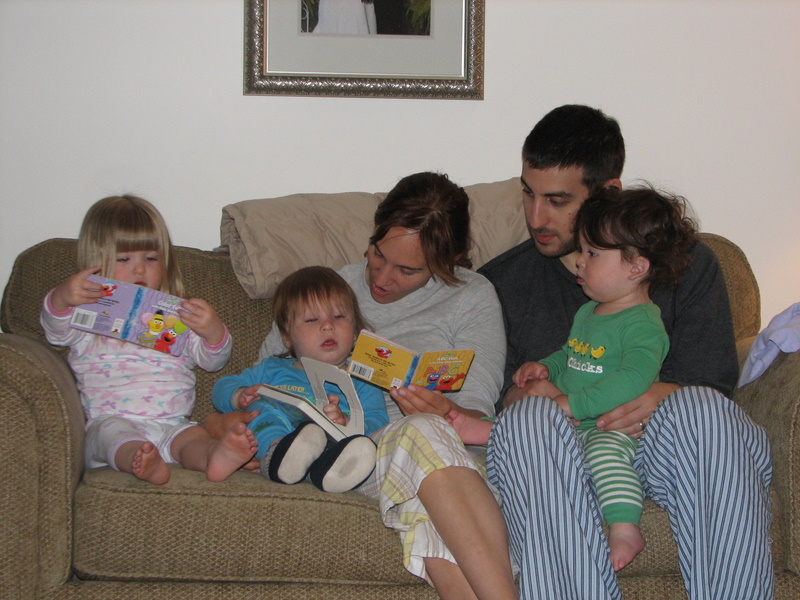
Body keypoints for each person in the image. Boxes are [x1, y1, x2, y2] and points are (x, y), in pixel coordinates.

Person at [478, 105, 774, 599]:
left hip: (660, 447)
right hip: (561, 455)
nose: (536, 217)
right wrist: (532, 393)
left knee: (703, 409)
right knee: (527, 421)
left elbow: (714, 384)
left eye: (557, 200)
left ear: (608, 192)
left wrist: (656, 393)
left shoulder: (686, 264)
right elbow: (493, 401)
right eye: (528, 193)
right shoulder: (502, 283)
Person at [211, 172, 517, 600]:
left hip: (443, 455)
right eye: (378, 253)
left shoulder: (473, 297)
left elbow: (477, 415)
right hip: (355, 454)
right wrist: (256, 433)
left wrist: (443, 409)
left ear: (448, 261)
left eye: (407, 269)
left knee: (426, 485)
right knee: (421, 439)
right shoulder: (334, 288)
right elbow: (270, 377)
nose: (382, 278)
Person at [451, 185, 698, 572]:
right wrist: (546, 367)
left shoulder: (643, 325)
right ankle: (487, 429)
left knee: (604, 457)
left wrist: (573, 404)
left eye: (593, 254)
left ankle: (624, 527)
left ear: (636, 267)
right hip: (571, 421)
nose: (580, 262)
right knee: (529, 423)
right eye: (582, 250)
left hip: (611, 427)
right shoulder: (589, 311)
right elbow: (571, 353)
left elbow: (633, 380)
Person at [40, 195, 257, 485]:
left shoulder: (178, 315)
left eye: (151, 258)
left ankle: (215, 456)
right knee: (111, 437)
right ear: (96, 262)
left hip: (172, 423)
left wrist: (213, 330)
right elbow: (55, 331)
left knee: (194, 438)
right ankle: (139, 460)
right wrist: (61, 298)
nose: (140, 269)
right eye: (124, 259)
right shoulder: (86, 311)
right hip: (111, 420)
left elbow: (212, 361)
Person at [211, 266, 389, 493]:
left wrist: (347, 421)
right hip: (277, 437)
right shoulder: (271, 368)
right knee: (263, 408)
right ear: (287, 337)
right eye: (312, 319)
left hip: (332, 446)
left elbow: (378, 420)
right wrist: (239, 395)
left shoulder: (361, 380)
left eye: (338, 317)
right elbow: (221, 387)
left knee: (353, 441)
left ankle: (327, 471)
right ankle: (279, 455)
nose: (327, 325)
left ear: (355, 332)